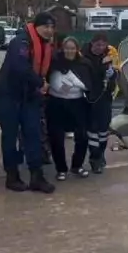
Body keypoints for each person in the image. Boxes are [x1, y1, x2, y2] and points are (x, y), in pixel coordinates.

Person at [0, 12, 56, 193]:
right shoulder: (21, 42)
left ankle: (37, 176)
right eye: (46, 26)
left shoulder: (46, 45)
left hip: (29, 97)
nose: (49, 30)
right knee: (10, 138)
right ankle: (12, 176)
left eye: (52, 27)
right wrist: (40, 83)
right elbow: (20, 66)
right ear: (36, 27)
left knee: (33, 135)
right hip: (9, 97)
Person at [46, 36, 94, 180]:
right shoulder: (54, 62)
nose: (69, 51)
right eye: (67, 48)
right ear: (62, 48)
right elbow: (49, 79)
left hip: (77, 103)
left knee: (82, 136)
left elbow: (88, 84)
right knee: (56, 137)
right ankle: (61, 169)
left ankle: (77, 166)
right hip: (56, 103)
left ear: (77, 49)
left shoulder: (84, 64)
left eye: (72, 48)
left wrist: (74, 82)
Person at [82, 33, 121, 173]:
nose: (100, 47)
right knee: (92, 130)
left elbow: (117, 73)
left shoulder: (109, 56)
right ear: (92, 44)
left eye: (103, 45)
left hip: (105, 98)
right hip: (90, 99)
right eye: (98, 44)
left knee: (104, 129)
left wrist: (113, 74)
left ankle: (100, 154)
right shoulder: (83, 57)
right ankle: (94, 159)